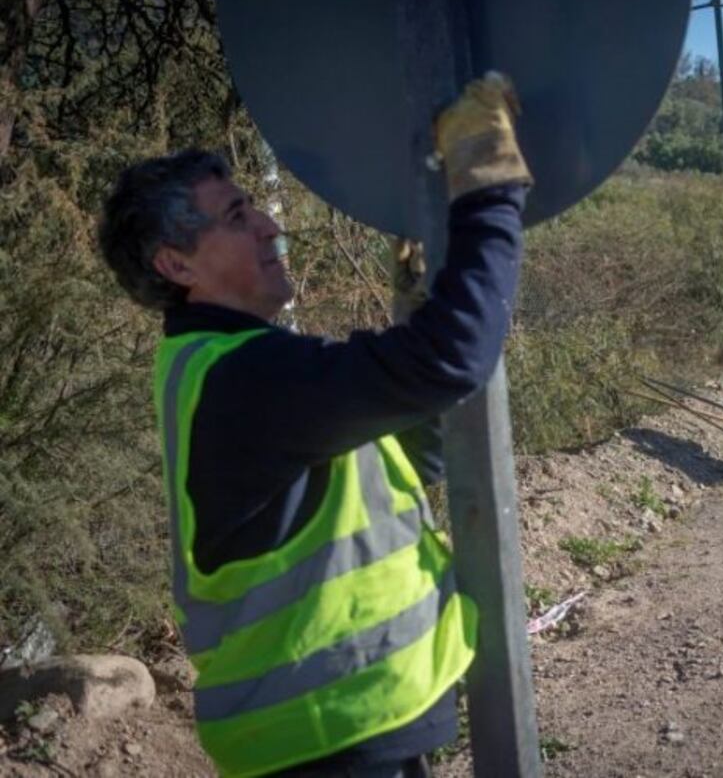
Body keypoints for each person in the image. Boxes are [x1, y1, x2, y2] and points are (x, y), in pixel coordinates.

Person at [97, 74, 532, 778]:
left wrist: (417, 308)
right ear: (176, 263)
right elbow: (453, 360)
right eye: (238, 216)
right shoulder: (243, 376)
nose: (271, 224)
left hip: (337, 733)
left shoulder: (224, 366)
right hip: (328, 741)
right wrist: (487, 181)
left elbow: (400, 469)